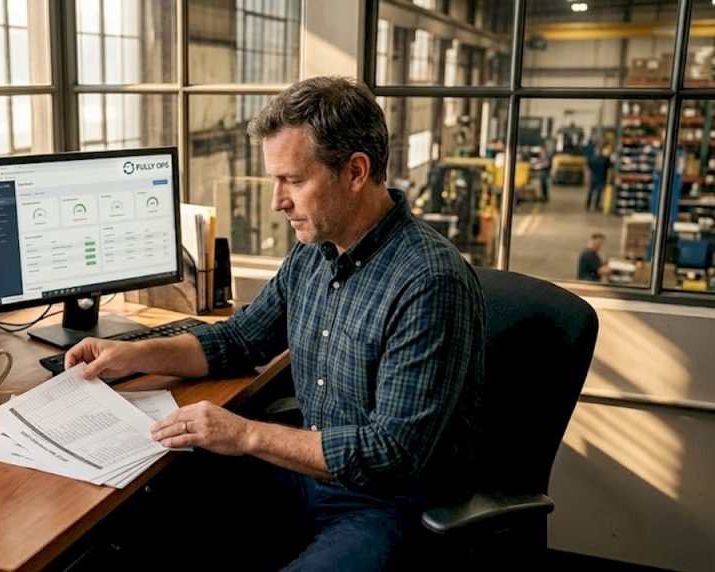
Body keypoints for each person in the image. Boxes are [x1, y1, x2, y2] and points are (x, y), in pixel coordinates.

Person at [66, 76, 486, 571]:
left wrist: (246, 435)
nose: (276, 201)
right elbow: (240, 338)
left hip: (388, 503)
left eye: (294, 180)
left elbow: (391, 454)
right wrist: (134, 354)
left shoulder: (429, 281)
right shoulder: (314, 253)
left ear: (355, 171)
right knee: (148, 516)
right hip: (305, 475)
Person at [586, 145, 610, 211]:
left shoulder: (593, 158)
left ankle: (589, 205)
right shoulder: (603, 159)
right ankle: (593, 205)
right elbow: (608, 165)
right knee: (595, 192)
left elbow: (588, 165)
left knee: (594, 192)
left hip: (596, 177)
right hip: (598, 177)